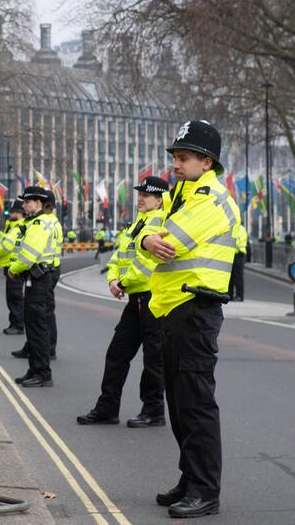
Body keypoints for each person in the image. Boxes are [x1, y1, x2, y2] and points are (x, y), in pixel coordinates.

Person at [138, 120, 238, 519]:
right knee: (179, 405)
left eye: (183, 158)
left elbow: (168, 244)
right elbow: (146, 242)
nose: (175, 165)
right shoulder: (181, 195)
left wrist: (149, 239)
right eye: (175, 157)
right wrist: (145, 239)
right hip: (172, 309)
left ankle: (205, 490)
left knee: (196, 405)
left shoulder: (209, 201)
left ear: (206, 162)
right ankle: (189, 478)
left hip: (195, 310)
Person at [77, 176, 168, 428]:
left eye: (146, 195)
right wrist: (113, 279)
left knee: (153, 359)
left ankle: (153, 411)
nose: (140, 198)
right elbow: (119, 255)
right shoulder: (138, 224)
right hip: (135, 299)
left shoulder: (161, 222)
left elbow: (149, 262)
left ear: (159, 199)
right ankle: (107, 409)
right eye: (139, 193)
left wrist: (123, 283)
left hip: (151, 298)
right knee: (117, 354)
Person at [9, 186, 61, 387]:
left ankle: (42, 374)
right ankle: (34, 370)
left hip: (39, 279)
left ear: (38, 203)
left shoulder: (39, 224)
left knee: (37, 327)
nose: (24, 205)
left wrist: (13, 269)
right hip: (38, 278)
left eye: (27, 202)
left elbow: (29, 254)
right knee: (33, 326)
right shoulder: (39, 222)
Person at [0, 200, 26, 335]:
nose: (10, 214)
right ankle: (14, 323)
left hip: (14, 266)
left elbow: (8, 244)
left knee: (15, 296)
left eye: (13, 212)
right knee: (12, 297)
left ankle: (18, 325)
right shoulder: (12, 226)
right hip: (11, 265)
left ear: (18, 213)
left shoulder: (17, 227)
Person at [229, 221, 248, 302]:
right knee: (231, 276)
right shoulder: (240, 228)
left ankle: (239, 296)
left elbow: (236, 240)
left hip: (238, 254)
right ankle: (230, 295)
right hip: (233, 253)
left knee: (238, 277)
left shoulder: (239, 229)